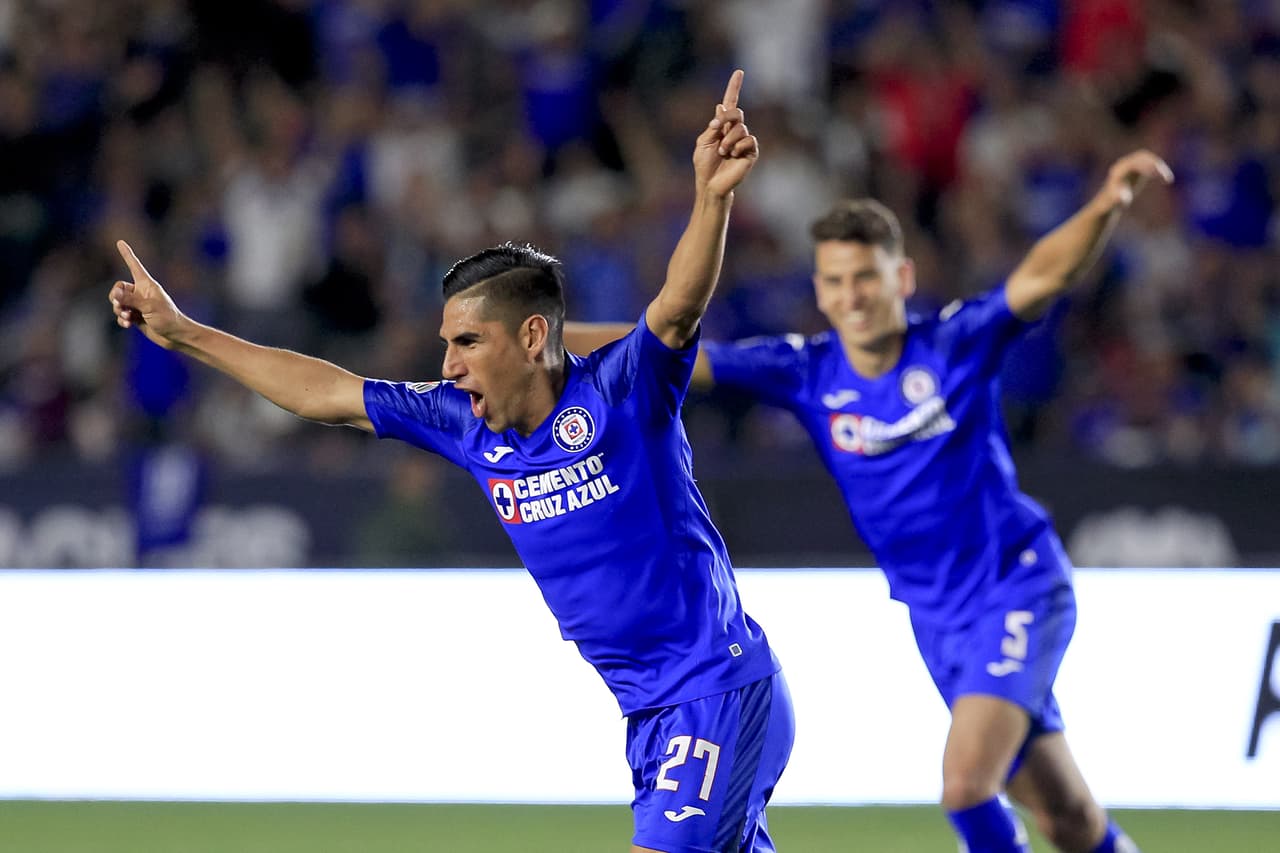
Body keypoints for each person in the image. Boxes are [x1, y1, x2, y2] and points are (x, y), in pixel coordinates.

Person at [109, 71, 796, 853]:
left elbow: (676, 306)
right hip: (648, 713)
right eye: (446, 342)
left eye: (467, 341)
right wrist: (188, 332)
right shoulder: (462, 424)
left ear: (532, 337)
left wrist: (711, 196)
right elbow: (325, 392)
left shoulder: (625, 393)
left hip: (715, 688)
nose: (449, 361)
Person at [566, 149, 1173, 853]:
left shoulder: (952, 344)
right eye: (835, 281)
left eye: (865, 277)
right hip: (936, 619)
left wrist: (1106, 202)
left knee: (966, 784)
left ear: (902, 277)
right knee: (1067, 817)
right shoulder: (805, 371)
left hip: (1016, 587)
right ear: (820, 292)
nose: (851, 294)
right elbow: (659, 349)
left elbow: (1043, 275)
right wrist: (544, 349)